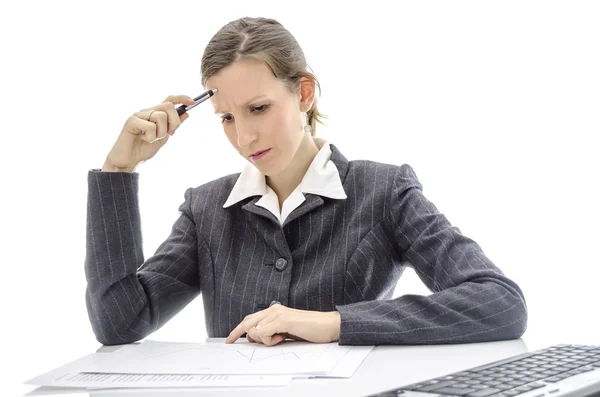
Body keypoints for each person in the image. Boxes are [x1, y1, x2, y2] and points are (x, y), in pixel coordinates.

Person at [86, 17, 527, 347]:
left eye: (258, 108)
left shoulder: (384, 191)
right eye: (226, 118)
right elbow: (119, 322)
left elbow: (499, 302)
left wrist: (333, 323)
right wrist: (118, 171)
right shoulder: (206, 209)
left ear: (304, 93)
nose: (244, 137)